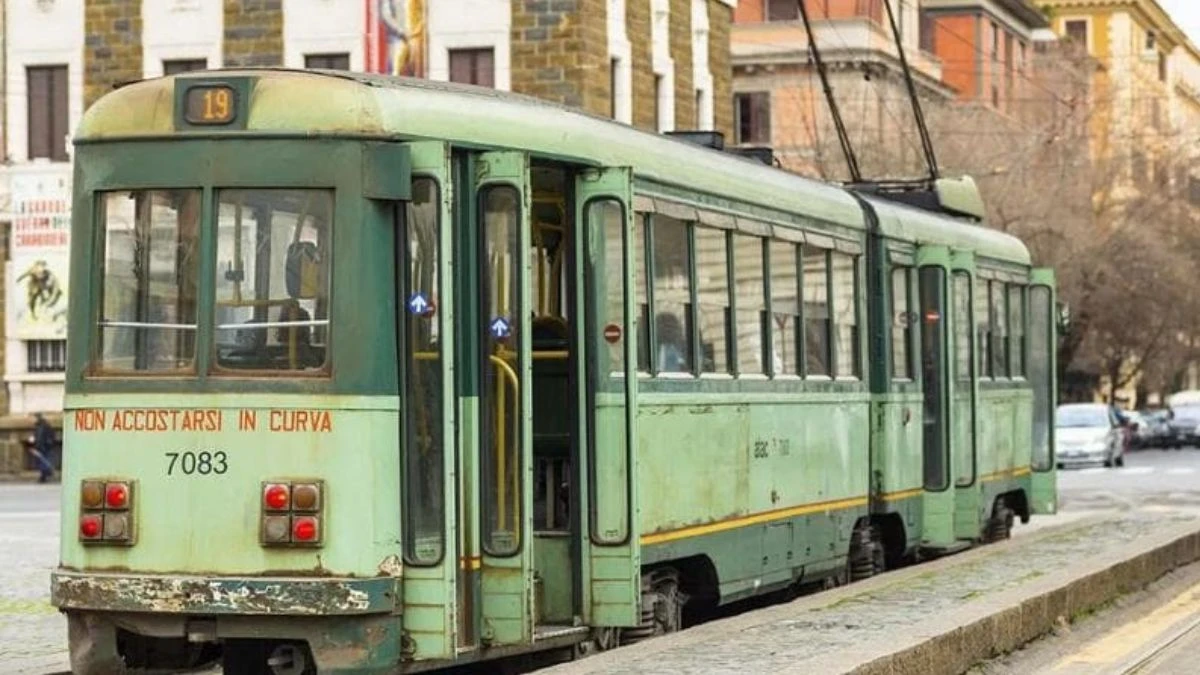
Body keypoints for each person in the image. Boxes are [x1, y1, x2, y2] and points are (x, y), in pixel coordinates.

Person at [31, 413, 55, 483]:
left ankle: (46, 474)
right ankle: (44, 475)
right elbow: (36, 436)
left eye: (35, 418)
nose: (34, 420)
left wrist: (47, 444)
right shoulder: (38, 426)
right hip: (40, 446)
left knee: (43, 461)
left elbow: (49, 436)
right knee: (41, 461)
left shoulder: (44, 426)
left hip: (44, 446)